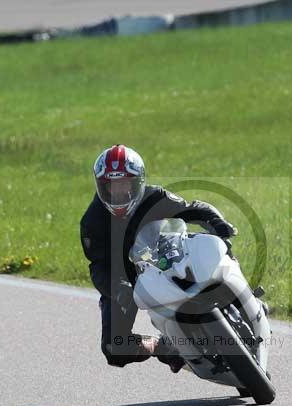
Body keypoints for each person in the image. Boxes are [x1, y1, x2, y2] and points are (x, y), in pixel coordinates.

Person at [80, 144, 238, 372]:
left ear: (139, 182)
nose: (119, 193)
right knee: (115, 349)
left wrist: (218, 224)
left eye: (125, 185)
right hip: (126, 280)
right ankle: (162, 346)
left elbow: (191, 209)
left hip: (169, 252)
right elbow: (98, 267)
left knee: (217, 245)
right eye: (111, 187)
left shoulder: (154, 196)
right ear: (100, 187)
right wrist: (118, 289)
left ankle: (241, 290)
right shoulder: (92, 222)